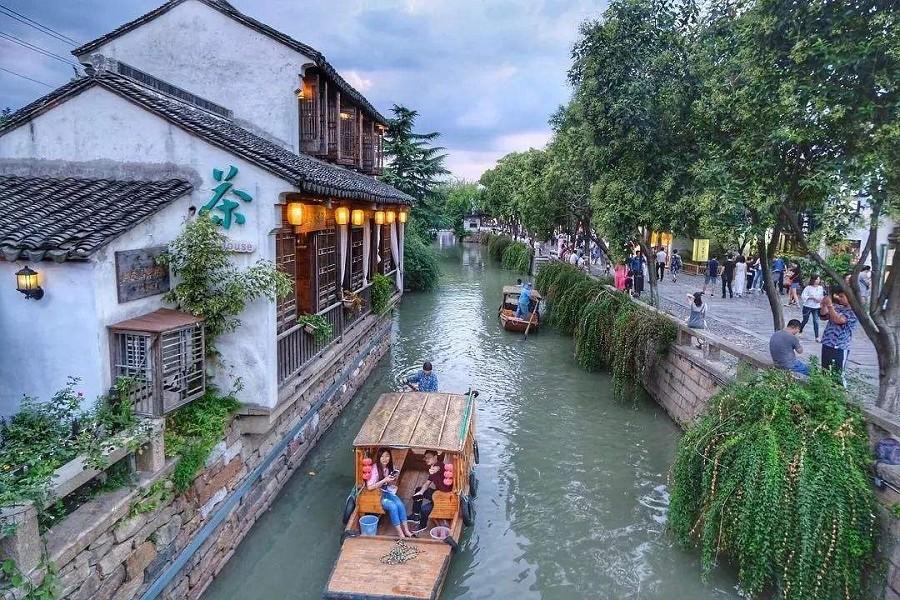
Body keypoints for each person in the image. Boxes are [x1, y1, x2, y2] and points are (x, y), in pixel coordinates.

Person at [367, 448, 415, 538]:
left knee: (400, 504)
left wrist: (392, 479)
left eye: (387, 456)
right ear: (378, 458)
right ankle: (400, 533)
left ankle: (407, 531)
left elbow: (388, 483)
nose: (385, 459)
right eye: (382, 456)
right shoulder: (374, 469)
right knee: (393, 506)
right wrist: (385, 480)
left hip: (386, 491)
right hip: (376, 496)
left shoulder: (388, 467)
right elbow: (369, 487)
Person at [819, 286, 859, 386]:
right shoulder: (838, 307)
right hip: (827, 342)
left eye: (842, 296)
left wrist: (830, 306)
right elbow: (823, 316)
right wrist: (824, 305)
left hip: (840, 345)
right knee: (825, 370)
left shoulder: (854, 311)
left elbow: (839, 320)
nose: (839, 298)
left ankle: (841, 391)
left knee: (838, 373)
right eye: (839, 296)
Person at [410, 450, 453, 532]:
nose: (426, 460)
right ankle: (415, 515)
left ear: (435, 457)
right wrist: (421, 492)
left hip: (444, 498)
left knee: (424, 509)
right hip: (437, 493)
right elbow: (427, 483)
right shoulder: (433, 467)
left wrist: (434, 470)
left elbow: (438, 468)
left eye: (429, 458)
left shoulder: (440, 466)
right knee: (418, 490)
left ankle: (422, 526)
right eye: (425, 458)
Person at [799, 275, 824, 341]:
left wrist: (820, 300)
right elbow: (803, 296)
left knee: (816, 321)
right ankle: (800, 329)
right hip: (808, 306)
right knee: (805, 320)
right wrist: (811, 297)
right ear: (813, 280)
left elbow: (822, 296)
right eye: (817, 279)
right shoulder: (808, 288)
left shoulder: (820, 288)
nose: (818, 281)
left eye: (819, 279)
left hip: (816, 306)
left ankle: (817, 336)